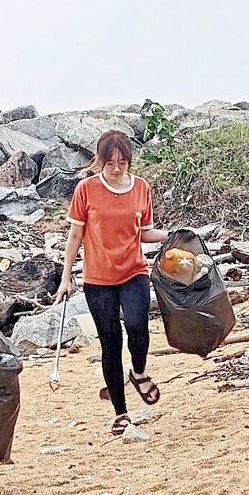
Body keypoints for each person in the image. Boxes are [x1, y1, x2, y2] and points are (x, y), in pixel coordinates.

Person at [55, 130, 168, 436]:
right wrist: (66, 277)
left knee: (137, 327)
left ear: (129, 160)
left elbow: (144, 232)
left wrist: (174, 236)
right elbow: (75, 236)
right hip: (97, 279)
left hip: (134, 271)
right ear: (100, 160)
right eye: (110, 162)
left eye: (122, 162)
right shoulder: (86, 189)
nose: (116, 168)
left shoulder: (141, 188)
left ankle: (139, 372)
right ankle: (121, 413)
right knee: (110, 343)